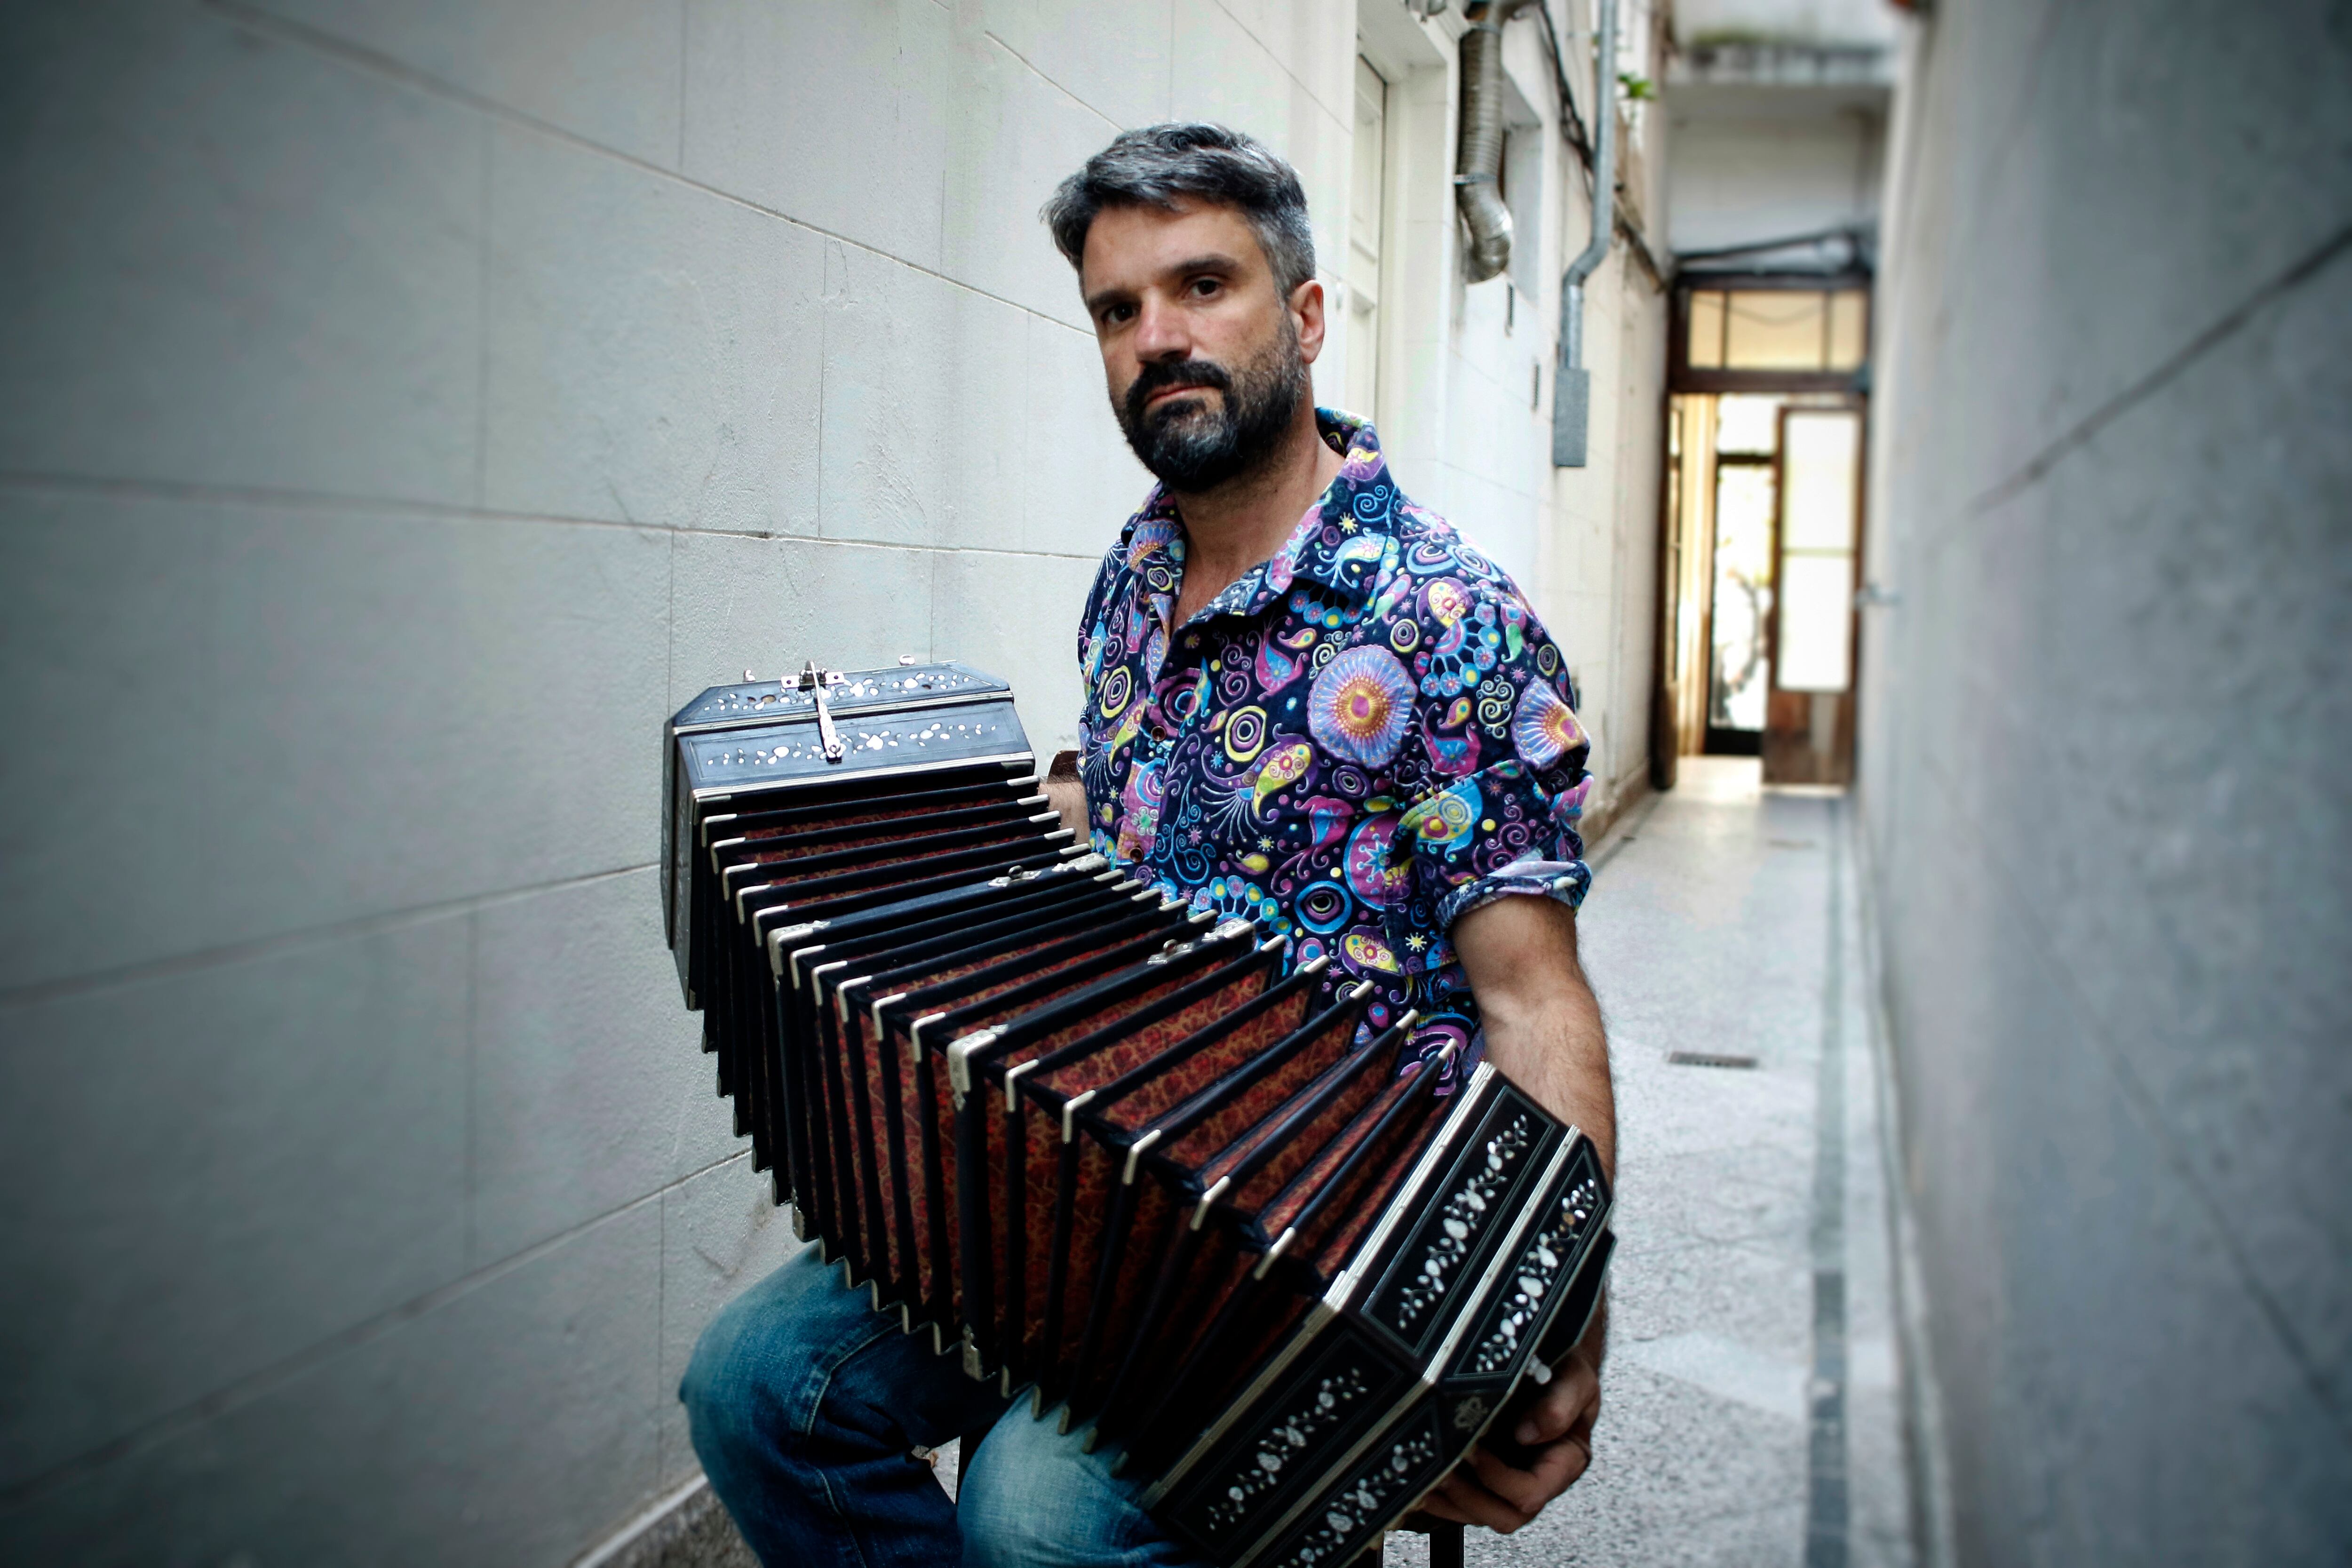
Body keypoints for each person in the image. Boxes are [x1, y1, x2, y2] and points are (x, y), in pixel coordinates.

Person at [682, 123, 1616, 1568]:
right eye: (1118, 310)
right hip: (1096, 1184)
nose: (1156, 337)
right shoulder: (1133, 578)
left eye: (1201, 287)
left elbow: (1532, 995)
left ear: (1304, 315)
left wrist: (1553, 1306)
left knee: (1032, 1515)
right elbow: (1131, 837)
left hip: (1318, 1237)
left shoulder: (1446, 621)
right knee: (755, 1390)